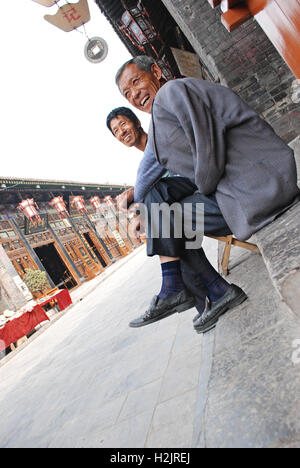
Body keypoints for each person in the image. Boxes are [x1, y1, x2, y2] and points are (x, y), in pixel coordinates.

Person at [115, 55, 300, 333]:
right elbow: (149, 174)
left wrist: (146, 206)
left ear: (155, 71)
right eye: (127, 93)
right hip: (243, 191)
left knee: (164, 215)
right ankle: (203, 291)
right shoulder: (162, 118)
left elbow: (208, 152)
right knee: (165, 216)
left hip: (257, 184)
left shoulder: (172, 92)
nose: (135, 94)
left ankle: (187, 288)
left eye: (136, 81)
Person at [106, 106, 245, 333]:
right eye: (115, 131)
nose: (121, 131)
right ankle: (215, 294)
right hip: (192, 209)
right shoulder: (146, 161)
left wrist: (136, 203)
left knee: (162, 212)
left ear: (136, 123)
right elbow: (149, 182)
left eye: (123, 124)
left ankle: (194, 293)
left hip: (211, 199)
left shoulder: (159, 142)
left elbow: (151, 185)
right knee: (168, 222)